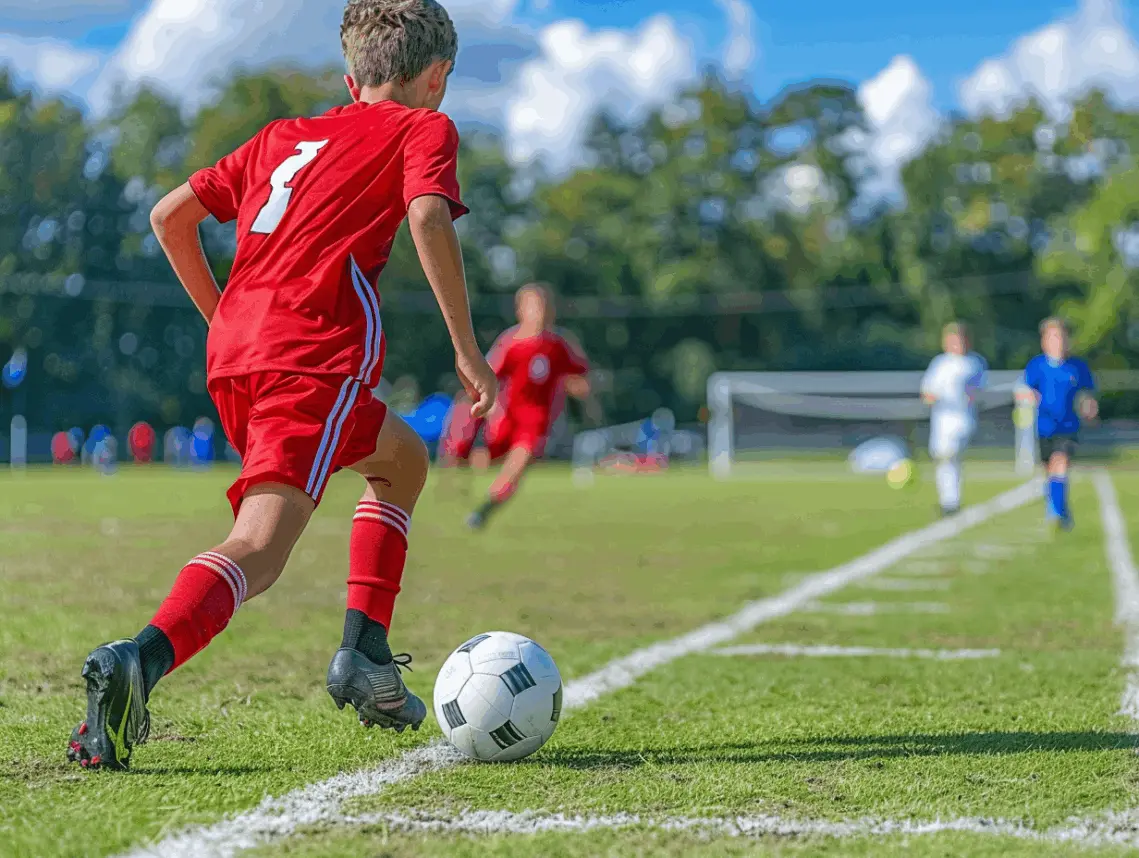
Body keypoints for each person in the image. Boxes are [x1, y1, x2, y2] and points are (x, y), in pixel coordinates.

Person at [66, 0, 496, 771]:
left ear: (349, 75)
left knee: (401, 460)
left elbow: (170, 217)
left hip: (239, 354)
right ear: (437, 77)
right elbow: (429, 216)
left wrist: (222, 314)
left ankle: (362, 652)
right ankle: (141, 659)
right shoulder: (423, 127)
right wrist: (468, 350)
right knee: (259, 548)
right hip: (313, 352)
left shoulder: (281, 137)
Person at [465, 283, 598, 530]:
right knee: (480, 462)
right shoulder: (510, 343)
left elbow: (579, 376)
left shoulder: (559, 345)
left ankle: (485, 510)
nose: (541, 312)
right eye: (534, 306)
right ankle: (470, 495)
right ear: (520, 311)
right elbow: (488, 377)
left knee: (517, 466)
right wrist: (488, 405)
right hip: (505, 418)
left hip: (536, 423)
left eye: (545, 307)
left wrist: (581, 391)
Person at [1023, 317, 1097, 530]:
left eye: (1061, 337)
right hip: (1044, 426)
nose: (1058, 341)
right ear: (1044, 341)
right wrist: (1028, 397)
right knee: (1050, 470)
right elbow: (1027, 389)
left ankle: (1055, 513)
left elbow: (1086, 394)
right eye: (1052, 337)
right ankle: (1060, 510)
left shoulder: (1077, 367)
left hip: (1067, 427)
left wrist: (1089, 407)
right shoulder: (1037, 365)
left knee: (1060, 463)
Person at [919, 322, 987, 517]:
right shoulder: (940, 363)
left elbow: (976, 391)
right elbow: (928, 391)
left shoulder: (973, 363)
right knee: (943, 459)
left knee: (949, 455)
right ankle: (949, 501)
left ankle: (951, 501)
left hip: (962, 419)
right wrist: (933, 397)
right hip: (942, 420)